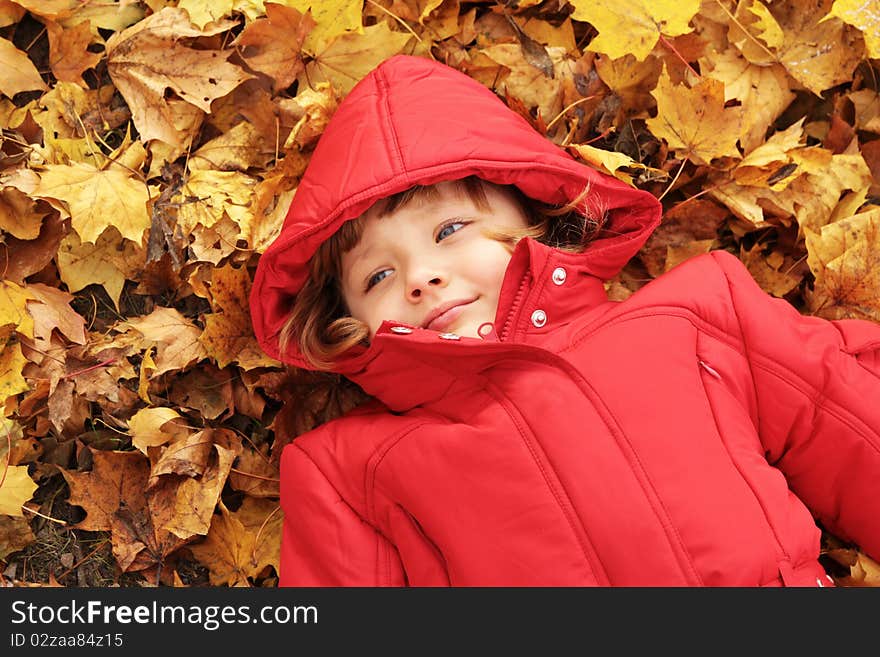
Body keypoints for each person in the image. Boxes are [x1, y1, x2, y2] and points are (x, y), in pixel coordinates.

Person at [249, 54, 880, 586]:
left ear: (536, 219)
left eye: (449, 229)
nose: (420, 276)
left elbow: (850, 426)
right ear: (343, 320)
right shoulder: (350, 471)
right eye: (377, 277)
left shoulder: (693, 318)